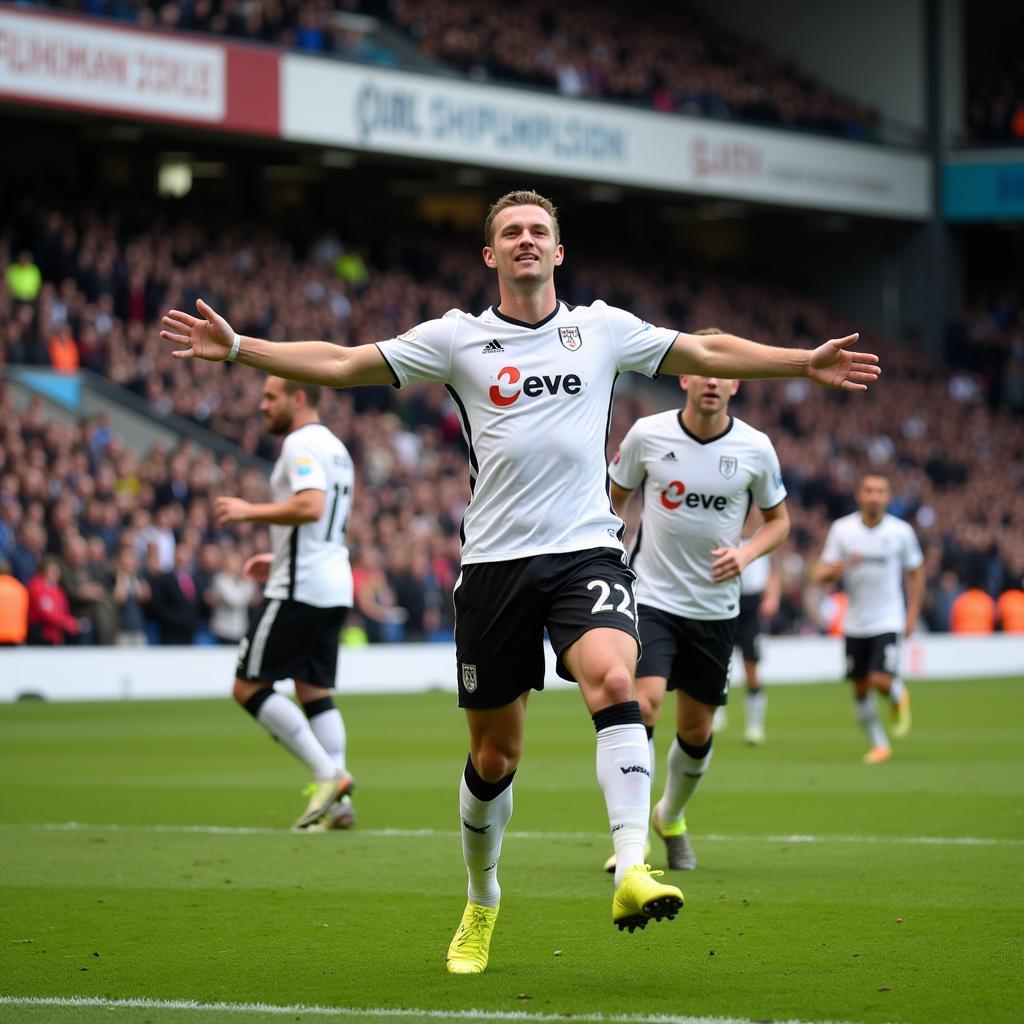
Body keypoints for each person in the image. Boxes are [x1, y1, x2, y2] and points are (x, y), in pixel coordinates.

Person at [161, 189, 880, 973]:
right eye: (511, 232)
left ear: (559, 251)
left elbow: (705, 352)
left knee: (614, 679)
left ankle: (633, 865)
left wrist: (801, 364)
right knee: (497, 756)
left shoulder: (603, 329)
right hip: (495, 567)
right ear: (491, 255)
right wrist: (240, 349)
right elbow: (340, 364)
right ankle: (482, 897)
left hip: (586, 553)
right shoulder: (457, 340)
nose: (527, 240)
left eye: (540, 230)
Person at [603, 359, 789, 874]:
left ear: (735, 382)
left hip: (715, 609)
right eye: (700, 372)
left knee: (698, 731)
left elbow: (780, 522)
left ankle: (671, 816)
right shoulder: (647, 434)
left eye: (722, 374)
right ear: (684, 378)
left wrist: (747, 555)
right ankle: (632, 837)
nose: (711, 381)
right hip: (651, 598)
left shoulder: (755, 447)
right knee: (642, 705)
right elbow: (612, 501)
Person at [213, 376, 357, 832]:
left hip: (301, 588)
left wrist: (248, 511)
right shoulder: (337, 448)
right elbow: (328, 521)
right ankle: (340, 806)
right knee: (314, 691)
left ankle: (328, 775)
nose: (261, 405)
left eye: (270, 397)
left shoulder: (299, 444)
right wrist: (278, 555)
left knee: (248, 686)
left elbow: (311, 506)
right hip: (333, 582)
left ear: (299, 397)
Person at [812, 473, 924, 764]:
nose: (874, 496)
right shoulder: (842, 530)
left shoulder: (900, 532)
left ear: (888, 497)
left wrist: (912, 613)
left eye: (881, 491)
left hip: (888, 619)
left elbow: (916, 571)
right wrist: (829, 573)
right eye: (869, 490)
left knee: (878, 680)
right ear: (859, 495)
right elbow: (818, 574)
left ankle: (898, 693)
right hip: (854, 622)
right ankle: (880, 745)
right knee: (860, 688)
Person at [735, 512, 781, 746]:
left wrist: (772, 596)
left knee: (751, 665)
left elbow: (773, 573)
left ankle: (754, 727)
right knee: (716, 664)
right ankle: (714, 719)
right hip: (724, 602)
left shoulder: (762, 540)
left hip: (752, 605)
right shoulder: (723, 536)